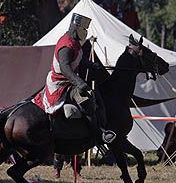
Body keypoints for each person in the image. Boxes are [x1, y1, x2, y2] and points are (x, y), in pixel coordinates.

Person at [32, 13, 116, 144]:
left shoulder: (74, 43)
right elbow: (65, 68)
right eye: (84, 29)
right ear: (76, 27)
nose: (85, 32)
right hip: (61, 83)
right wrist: (80, 83)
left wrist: (92, 65)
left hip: (69, 81)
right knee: (87, 100)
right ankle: (98, 134)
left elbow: (79, 59)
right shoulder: (66, 45)